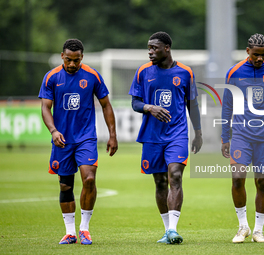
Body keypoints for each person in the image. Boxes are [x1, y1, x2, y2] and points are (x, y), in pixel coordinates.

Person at [38, 39, 118, 245]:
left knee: (89, 179)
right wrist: (53, 131)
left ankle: (84, 229)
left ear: (82, 57)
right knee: (65, 186)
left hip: (86, 137)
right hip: (62, 140)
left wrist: (112, 134)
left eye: (76, 60)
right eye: (68, 60)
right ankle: (70, 232)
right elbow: (46, 107)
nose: (72, 64)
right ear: (62, 56)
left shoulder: (92, 76)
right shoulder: (51, 77)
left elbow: (106, 105)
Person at [129, 31, 202, 244]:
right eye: (149, 48)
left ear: (167, 48)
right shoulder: (143, 71)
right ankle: (166, 230)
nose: (150, 52)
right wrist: (149, 107)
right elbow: (135, 102)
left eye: (154, 48)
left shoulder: (185, 72)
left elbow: (192, 104)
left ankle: (173, 229)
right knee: (160, 182)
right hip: (152, 135)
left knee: (175, 176)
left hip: (177, 133)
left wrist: (198, 133)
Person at [221, 33, 264, 243]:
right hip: (241, 134)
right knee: (237, 179)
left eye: (263, 54)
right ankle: (243, 227)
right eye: (255, 55)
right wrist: (225, 136)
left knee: (262, 182)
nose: (259, 59)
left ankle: (258, 231)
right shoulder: (234, 72)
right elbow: (227, 106)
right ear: (247, 51)